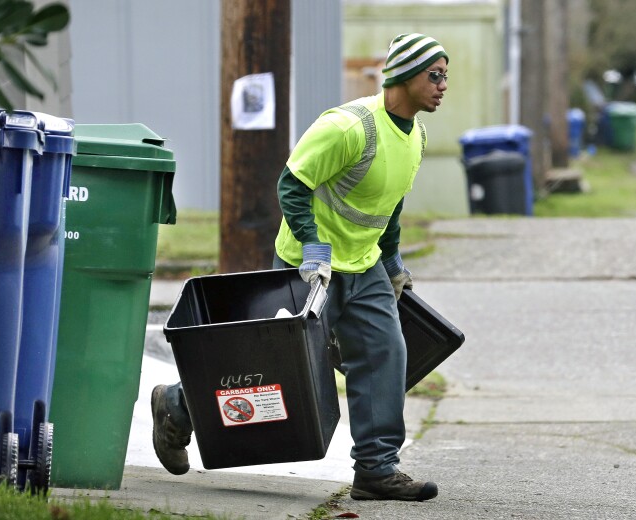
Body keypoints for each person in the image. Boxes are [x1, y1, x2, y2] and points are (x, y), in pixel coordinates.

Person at [152, 32, 449, 502]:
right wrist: (312, 247)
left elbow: (389, 205)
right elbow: (292, 183)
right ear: (404, 75)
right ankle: (177, 404)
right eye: (435, 75)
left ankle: (376, 469)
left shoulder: (416, 137)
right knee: (272, 367)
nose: (442, 85)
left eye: (445, 76)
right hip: (311, 268)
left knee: (385, 353)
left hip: (364, 265)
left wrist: (392, 261)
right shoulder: (350, 127)